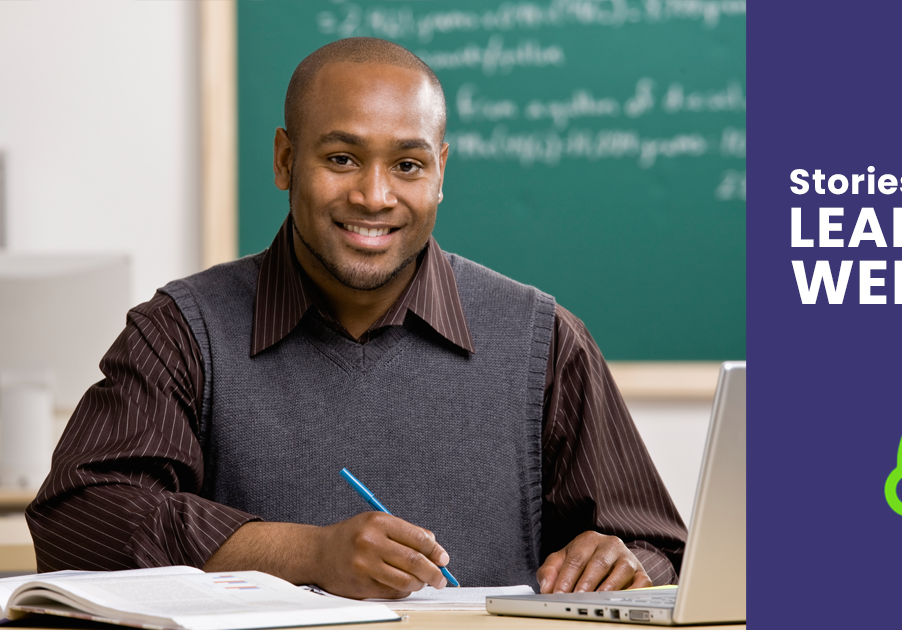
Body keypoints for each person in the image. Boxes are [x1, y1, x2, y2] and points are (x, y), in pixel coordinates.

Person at [25, 37, 686, 600]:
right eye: (341, 158)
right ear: (286, 160)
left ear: (440, 171)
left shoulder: (543, 341)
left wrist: (625, 565)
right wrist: (305, 556)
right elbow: (77, 519)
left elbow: (663, 549)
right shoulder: (179, 332)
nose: (375, 196)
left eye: (407, 164)